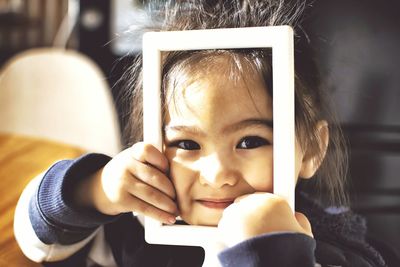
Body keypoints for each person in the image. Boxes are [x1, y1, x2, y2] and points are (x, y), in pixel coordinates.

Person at [14, 0, 387, 266]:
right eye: (187, 144)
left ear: (310, 150)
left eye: (249, 141)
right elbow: (36, 240)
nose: (217, 175)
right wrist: (95, 190)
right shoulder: (138, 234)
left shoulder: (337, 251)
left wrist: (272, 251)